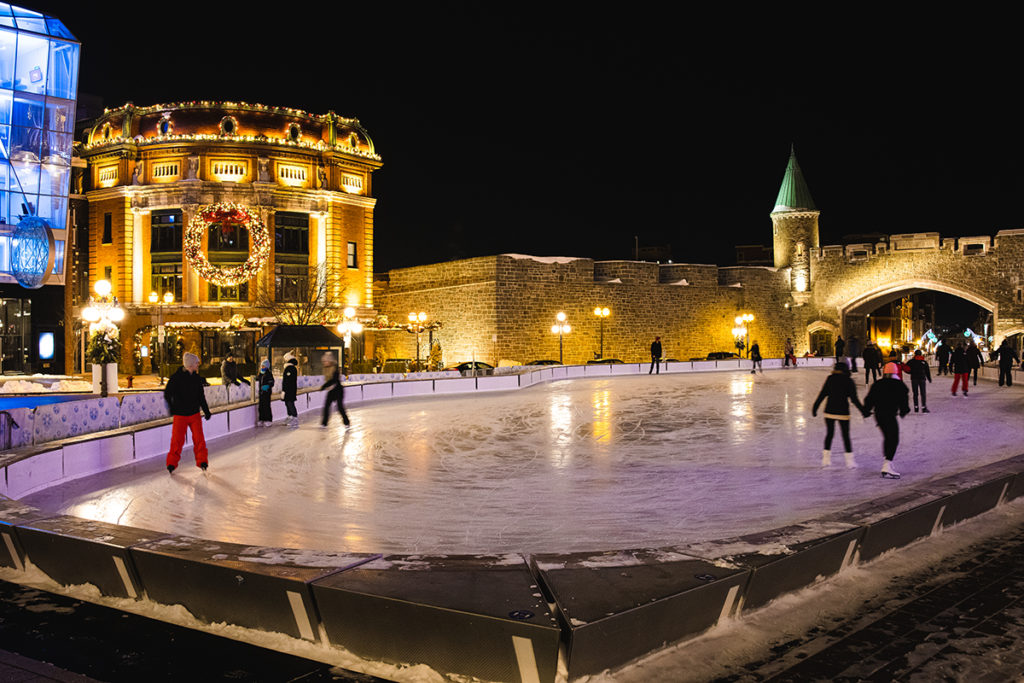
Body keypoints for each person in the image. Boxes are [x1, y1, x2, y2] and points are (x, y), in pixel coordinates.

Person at [164, 352, 212, 473]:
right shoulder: (176, 378)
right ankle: (171, 463)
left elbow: (201, 397)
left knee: (199, 439)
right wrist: (172, 407)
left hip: (194, 414)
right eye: (196, 363)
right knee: (177, 440)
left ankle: (202, 461)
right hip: (180, 415)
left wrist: (206, 411)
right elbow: (167, 394)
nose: (198, 365)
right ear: (190, 364)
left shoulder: (197, 378)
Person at [812, 361, 864, 468]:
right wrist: (864, 411)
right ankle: (850, 462)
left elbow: (822, 394)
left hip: (829, 411)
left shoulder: (830, 379)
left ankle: (826, 460)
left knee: (829, 434)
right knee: (845, 436)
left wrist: (815, 407)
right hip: (843, 412)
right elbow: (854, 399)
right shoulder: (848, 381)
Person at [863, 361, 911, 479]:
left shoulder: (877, 384)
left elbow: (869, 400)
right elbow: (904, 402)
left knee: (887, 437)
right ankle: (887, 464)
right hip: (890, 415)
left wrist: (866, 411)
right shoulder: (899, 385)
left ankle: (887, 462)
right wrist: (904, 411)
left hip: (879, 415)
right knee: (893, 438)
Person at [321, 352, 350, 427]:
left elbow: (334, 380)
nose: (324, 363)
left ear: (329, 361)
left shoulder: (335, 369)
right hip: (331, 390)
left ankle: (346, 422)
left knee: (340, 407)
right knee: (327, 406)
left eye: (325, 361)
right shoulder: (325, 369)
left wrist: (324, 386)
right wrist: (326, 386)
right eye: (323, 361)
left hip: (338, 390)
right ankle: (324, 423)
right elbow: (328, 379)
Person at [282, 351, 299, 426]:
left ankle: (294, 417)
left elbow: (288, 380)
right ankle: (290, 416)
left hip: (289, 389)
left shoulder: (290, 368)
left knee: (290, 403)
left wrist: (285, 389)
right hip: (289, 389)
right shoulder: (289, 368)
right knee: (287, 403)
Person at [256, 358, 274, 426]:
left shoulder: (269, 374)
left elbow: (272, 382)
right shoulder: (261, 373)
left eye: (263, 366)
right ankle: (261, 419)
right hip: (261, 392)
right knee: (261, 406)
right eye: (262, 366)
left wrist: (267, 386)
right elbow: (258, 379)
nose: (262, 367)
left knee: (266, 406)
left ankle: (268, 419)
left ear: (266, 367)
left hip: (266, 392)